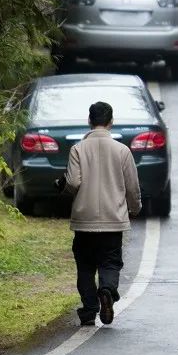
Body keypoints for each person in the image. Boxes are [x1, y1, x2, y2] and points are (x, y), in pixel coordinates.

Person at [58, 100, 142, 326]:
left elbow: (74, 182)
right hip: (112, 220)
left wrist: (64, 187)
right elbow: (132, 187)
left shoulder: (78, 149)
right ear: (111, 122)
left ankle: (89, 310)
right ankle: (106, 290)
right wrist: (134, 208)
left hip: (84, 220)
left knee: (85, 266)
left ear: (89, 121)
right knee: (110, 263)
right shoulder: (122, 151)